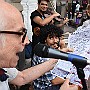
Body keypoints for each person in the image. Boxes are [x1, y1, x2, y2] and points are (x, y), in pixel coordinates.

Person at [0, 1, 80, 90]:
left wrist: (60, 54)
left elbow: (22, 77)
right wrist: (70, 80)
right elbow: (53, 81)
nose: (27, 41)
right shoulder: (35, 15)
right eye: (20, 33)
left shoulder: (4, 68)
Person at [32, 24, 78, 90]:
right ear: (45, 39)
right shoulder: (44, 57)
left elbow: (58, 54)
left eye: (56, 37)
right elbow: (54, 81)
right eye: (51, 38)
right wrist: (72, 77)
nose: (55, 41)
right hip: (45, 87)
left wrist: (64, 48)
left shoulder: (44, 47)